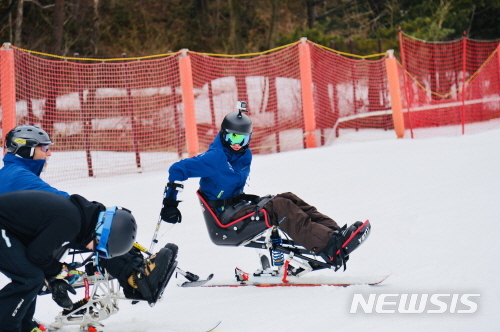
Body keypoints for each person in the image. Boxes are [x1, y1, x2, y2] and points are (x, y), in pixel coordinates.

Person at [0, 125, 177, 332]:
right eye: (44, 148)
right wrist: (96, 216)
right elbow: (60, 205)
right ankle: (134, 275)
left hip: (22, 230)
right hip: (15, 230)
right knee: (34, 273)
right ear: (26, 149)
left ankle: (22, 324)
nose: (49, 152)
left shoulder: (18, 173)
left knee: (35, 273)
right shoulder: (16, 176)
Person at [159, 102, 369, 267]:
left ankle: (335, 235)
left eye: (242, 139)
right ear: (223, 134)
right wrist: (170, 203)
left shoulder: (243, 154)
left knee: (287, 198)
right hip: (225, 221)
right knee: (280, 207)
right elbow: (176, 169)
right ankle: (329, 246)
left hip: (236, 207)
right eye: (232, 137)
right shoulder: (214, 158)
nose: (236, 143)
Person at [0, 190, 139, 332]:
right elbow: (36, 255)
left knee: (34, 276)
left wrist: (53, 275)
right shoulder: (70, 222)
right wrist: (59, 270)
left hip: (8, 228)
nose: (91, 249)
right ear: (99, 231)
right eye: (97, 246)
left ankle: (25, 325)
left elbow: (41, 253)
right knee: (30, 278)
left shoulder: (81, 218)